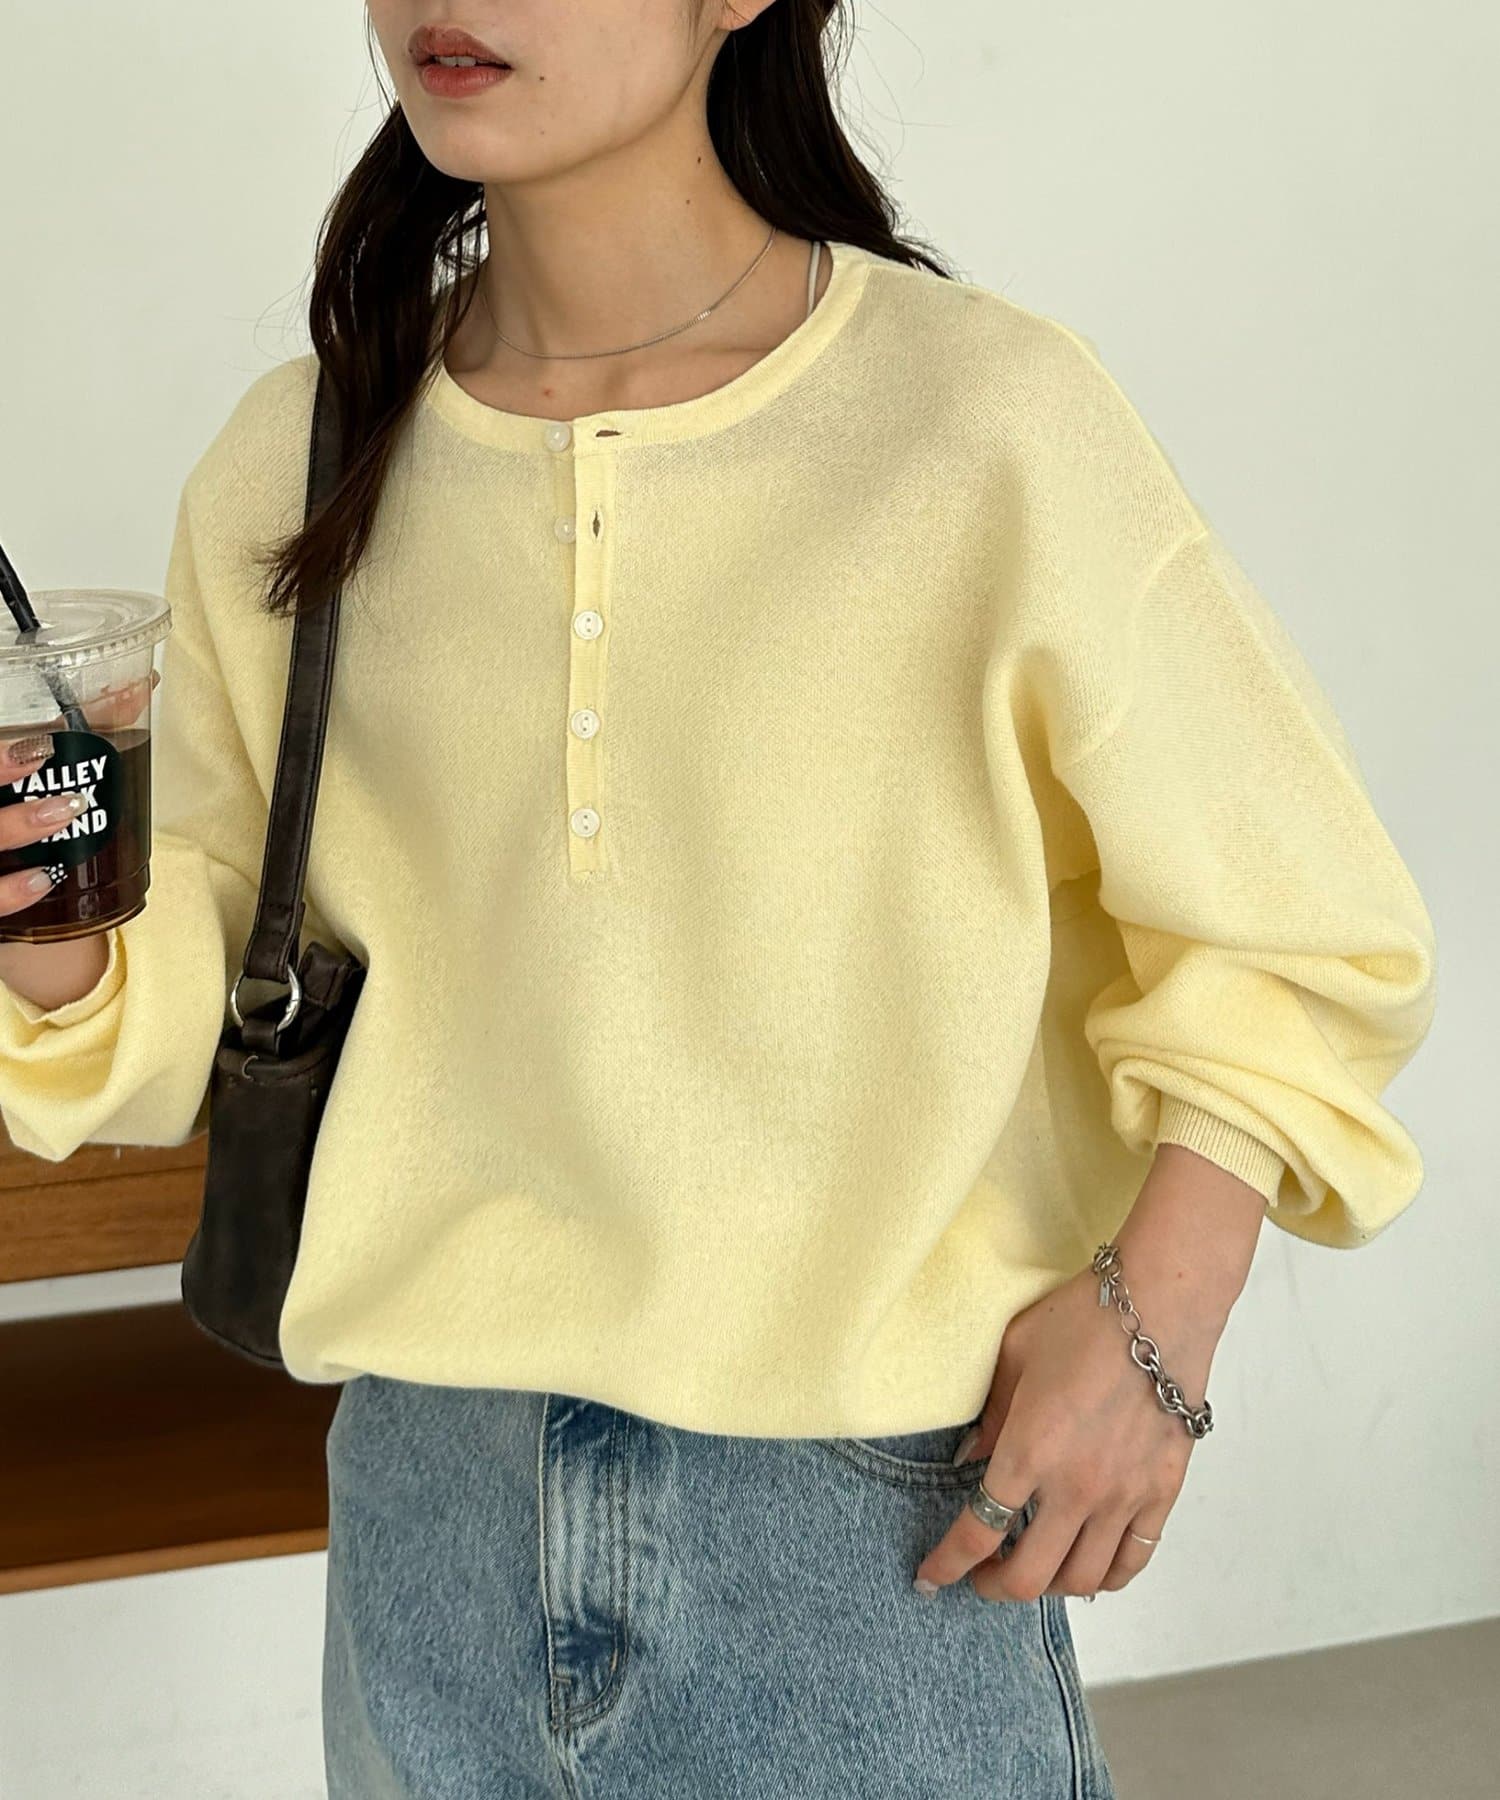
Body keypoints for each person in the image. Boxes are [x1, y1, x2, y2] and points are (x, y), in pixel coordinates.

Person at [0, 3, 1438, 1797]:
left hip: (866, 1528)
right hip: (430, 1514)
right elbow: (190, 995)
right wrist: (49, 924)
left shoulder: (982, 421)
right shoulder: (300, 454)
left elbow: (1299, 925)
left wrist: (1156, 1339)